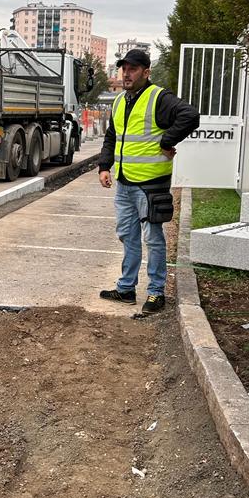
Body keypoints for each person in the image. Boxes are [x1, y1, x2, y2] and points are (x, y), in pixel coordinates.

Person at [98, 47, 199, 315]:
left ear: (146, 72)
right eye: (124, 69)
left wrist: (167, 140)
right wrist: (104, 166)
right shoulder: (120, 101)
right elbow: (112, 136)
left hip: (150, 184)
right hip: (124, 183)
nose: (126, 74)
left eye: (132, 69)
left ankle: (156, 293)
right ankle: (126, 289)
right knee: (127, 236)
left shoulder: (158, 98)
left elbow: (190, 115)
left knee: (153, 238)